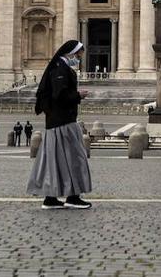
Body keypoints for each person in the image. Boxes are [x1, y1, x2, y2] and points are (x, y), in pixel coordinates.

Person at [27, 40, 93, 210]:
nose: (79, 58)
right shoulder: (60, 68)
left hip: (57, 122)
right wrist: (78, 95)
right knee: (75, 158)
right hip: (63, 122)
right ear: (70, 53)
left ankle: (50, 198)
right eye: (78, 55)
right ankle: (73, 196)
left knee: (54, 160)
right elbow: (60, 95)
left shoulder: (58, 67)